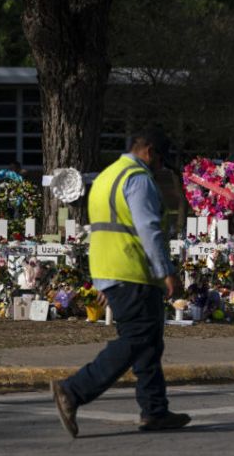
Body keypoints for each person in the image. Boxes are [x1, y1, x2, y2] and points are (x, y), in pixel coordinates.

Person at [51, 128, 189, 437]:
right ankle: (73, 391)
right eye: (161, 161)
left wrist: (103, 280)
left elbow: (103, 227)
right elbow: (148, 228)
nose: (161, 169)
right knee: (138, 339)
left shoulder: (106, 176)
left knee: (148, 342)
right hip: (134, 270)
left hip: (111, 270)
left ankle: (155, 411)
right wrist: (166, 270)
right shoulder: (138, 179)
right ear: (149, 151)